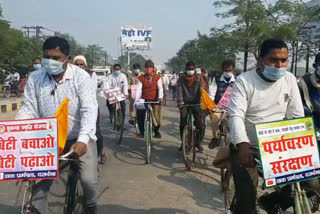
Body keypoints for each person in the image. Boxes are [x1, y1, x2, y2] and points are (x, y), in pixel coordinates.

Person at [16, 36, 99, 214]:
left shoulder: (81, 77)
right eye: (46, 57)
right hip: (48, 140)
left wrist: (84, 140)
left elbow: (89, 110)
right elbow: (29, 109)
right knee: (37, 187)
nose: (50, 62)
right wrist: (17, 135)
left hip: (79, 138)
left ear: (67, 59)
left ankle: (90, 206)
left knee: (88, 181)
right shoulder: (35, 78)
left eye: (56, 58)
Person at [228, 38, 304, 214]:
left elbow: (296, 115)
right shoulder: (244, 81)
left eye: (283, 60)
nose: (279, 65)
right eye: (273, 60)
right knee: (247, 201)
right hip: (249, 148)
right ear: (260, 60)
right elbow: (236, 115)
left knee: (309, 184)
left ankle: (270, 201)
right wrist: (242, 143)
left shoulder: (290, 79)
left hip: (278, 146)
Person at [73, 55, 106, 164]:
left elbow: (90, 91)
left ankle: (101, 151)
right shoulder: (70, 76)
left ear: (85, 65)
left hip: (89, 107)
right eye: (76, 64)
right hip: (74, 109)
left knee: (96, 131)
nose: (79, 66)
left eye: (81, 64)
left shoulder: (91, 74)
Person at [177, 61, 205, 152]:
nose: (190, 71)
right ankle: (183, 142)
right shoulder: (181, 79)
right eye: (189, 69)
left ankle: (197, 143)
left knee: (200, 125)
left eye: (192, 69)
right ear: (186, 69)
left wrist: (202, 100)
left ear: (194, 69)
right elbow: (179, 90)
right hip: (184, 103)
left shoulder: (199, 78)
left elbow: (203, 90)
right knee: (183, 123)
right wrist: (180, 101)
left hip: (196, 103)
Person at [208, 60, 236, 149]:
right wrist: (211, 105)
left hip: (233, 107)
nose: (228, 73)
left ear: (233, 70)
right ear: (223, 70)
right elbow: (212, 92)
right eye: (226, 71)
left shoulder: (238, 80)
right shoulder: (216, 79)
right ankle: (215, 138)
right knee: (214, 120)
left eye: (230, 71)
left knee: (236, 125)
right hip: (218, 106)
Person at [135, 60, 163, 138]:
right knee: (140, 114)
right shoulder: (141, 78)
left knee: (156, 116)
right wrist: (137, 100)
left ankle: (156, 131)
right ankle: (141, 132)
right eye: (147, 67)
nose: (148, 69)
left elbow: (160, 88)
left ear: (153, 69)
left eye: (150, 67)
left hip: (155, 99)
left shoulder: (157, 77)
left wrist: (160, 97)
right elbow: (138, 90)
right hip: (144, 99)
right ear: (145, 69)